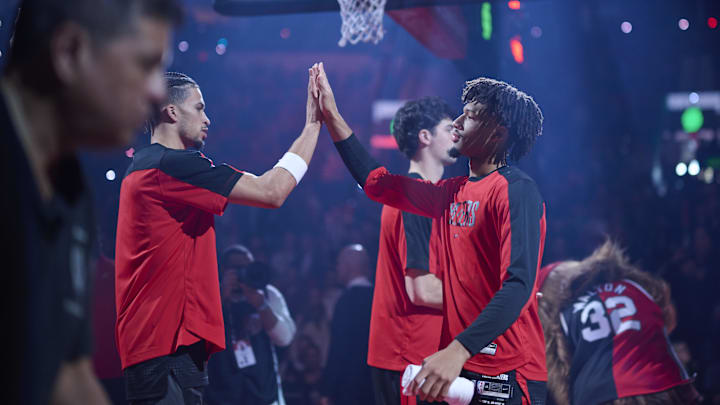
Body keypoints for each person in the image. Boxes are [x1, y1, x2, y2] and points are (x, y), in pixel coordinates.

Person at [315, 63, 547, 404]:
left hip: (510, 367)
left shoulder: (516, 190)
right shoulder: (450, 192)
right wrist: (332, 118)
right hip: (464, 363)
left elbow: (518, 284)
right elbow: (377, 184)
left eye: (469, 116)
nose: (456, 122)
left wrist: (457, 349)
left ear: (497, 132)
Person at [0, 0, 182, 404]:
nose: (157, 92)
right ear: (69, 52)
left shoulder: (69, 185)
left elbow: (69, 373)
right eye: (145, 64)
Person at [115, 67, 323, 404]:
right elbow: (273, 191)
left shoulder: (147, 167)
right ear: (171, 111)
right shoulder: (170, 166)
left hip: (163, 345)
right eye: (199, 108)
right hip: (163, 346)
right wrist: (313, 126)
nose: (207, 118)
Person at [367, 97, 457, 405]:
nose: (456, 134)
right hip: (411, 358)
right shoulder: (415, 197)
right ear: (425, 137)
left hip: (413, 357)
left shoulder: (420, 196)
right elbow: (421, 289)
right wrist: (491, 299)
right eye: (449, 128)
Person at [537, 241, 701, 405]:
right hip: (663, 384)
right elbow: (667, 316)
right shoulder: (633, 285)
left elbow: (561, 378)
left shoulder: (561, 317)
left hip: (601, 394)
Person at [206, 245, 296, 405]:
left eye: (246, 267)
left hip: (263, 393)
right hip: (222, 394)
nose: (242, 273)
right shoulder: (211, 295)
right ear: (223, 270)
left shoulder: (268, 294)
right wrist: (220, 297)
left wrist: (261, 306)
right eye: (236, 268)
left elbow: (285, 339)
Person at [320, 244, 375, 405]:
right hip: (375, 385)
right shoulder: (380, 298)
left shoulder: (345, 302)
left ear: (347, 266)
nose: (337, 269)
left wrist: (327, 390)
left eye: (338, 264)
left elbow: (338, 348)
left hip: (349, 388)